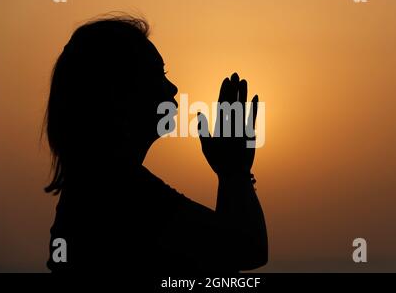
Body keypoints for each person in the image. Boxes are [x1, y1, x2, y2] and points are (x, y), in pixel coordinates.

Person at [44, 15, 268, 273]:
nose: (172, 88)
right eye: (157, 74)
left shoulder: (97, 186)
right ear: (117, 94)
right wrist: (234, 172)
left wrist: (232, 171)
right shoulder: (119, 193)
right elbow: (245, 249)